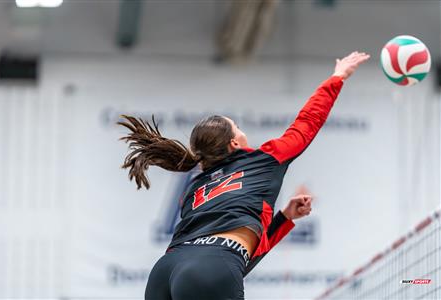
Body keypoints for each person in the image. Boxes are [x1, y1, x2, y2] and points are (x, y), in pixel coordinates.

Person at [118, 51, 370, 300]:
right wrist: (337, 77)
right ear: (234, 143)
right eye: (237, 127)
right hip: (212, 266)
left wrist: (284, 218)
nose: (241, 130)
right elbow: (307, 121)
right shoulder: (265, 158)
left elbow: (233, 253)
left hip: (165, 271)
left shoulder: (195, 187)